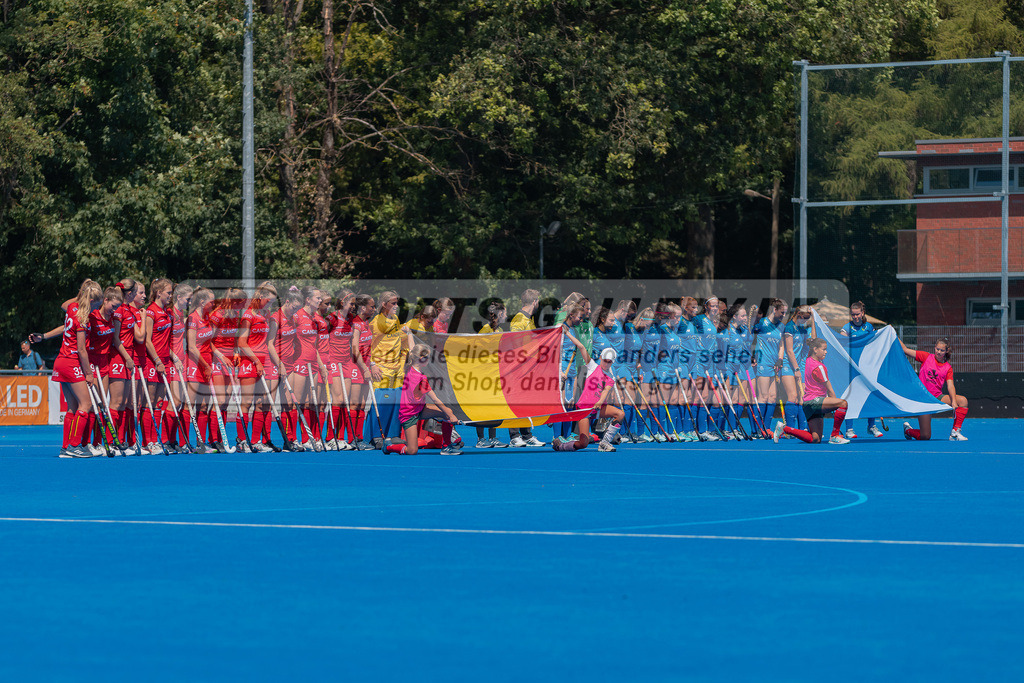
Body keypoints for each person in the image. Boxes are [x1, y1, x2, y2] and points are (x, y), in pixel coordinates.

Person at [52, 281, 103, 457]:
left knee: (72, 407)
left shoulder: (72, 307)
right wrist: (88, 373)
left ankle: (65, 447)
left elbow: (65, 304)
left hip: (61, 361)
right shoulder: (82, 318)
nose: (98, 307)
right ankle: (74, 446)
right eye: (96, 303)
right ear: (90, 300)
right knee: (86, 404)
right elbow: (81, 349)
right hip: (71, 362)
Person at [382, 344, 462, 455]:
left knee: (447, 412)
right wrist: (452, 417)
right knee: (412, 450)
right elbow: (435, 400)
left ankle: (446, 447)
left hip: (420, 409)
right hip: (408, 415)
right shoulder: (421, 378)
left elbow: (412, 349)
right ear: (422, 359)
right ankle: (389, 446)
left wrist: (409, 333)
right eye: (428, 357)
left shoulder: (408, 367)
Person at [773, 338, 850, 445]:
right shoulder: (820, 367)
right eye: (824, 349)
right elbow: (830, 390)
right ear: (815, 349)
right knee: (843, 403)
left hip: (807, 404)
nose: (826, 352)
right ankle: (835, 435)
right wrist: (835, 406)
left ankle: (784, 429)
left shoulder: (807, 360)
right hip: (815, 402)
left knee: (815, 439)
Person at [552, 348, 624, 452]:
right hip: (585, 409)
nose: (606, 364)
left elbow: (605, 391)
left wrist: (599, 402)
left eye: (609, 362)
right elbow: (581, 347)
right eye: (605, 360)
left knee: (620, 414)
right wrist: (568, 334)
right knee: (583, 443)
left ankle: (604, 443)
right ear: (600, 358)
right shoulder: (592, 366)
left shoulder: (611, 377)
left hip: (599, 408)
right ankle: (560, 446)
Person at [900, 337, 969, 441]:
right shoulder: (926, 357)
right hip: (923, 399)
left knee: (962, 401)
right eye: (937, 349)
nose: (939, 352)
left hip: (937, 397)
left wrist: (954, 402)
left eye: (942, 350)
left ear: (946, 351)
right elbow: (905, 350)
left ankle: (955, 432)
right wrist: (893, 333)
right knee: (925, 436)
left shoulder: (948, 368)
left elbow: (950, 386)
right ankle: (908, 431)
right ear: (934, 348)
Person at [507, 289, 545, 447]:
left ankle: (526, 434)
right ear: (535, 301)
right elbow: (515, 343)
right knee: (516, 401)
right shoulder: (519, 319)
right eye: (538, 302)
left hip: (530, 367)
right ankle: (514, 435)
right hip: (519, 367)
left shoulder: (530, 319)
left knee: (526, 401)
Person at [840, 301, 882, 439]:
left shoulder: (869, 327)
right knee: (850, 397)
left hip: (866, 367)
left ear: (862, 313)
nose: (855, 317)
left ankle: (871, 426)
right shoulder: (847, 328)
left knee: (870, 395)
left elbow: (875, 343)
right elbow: (841, 342)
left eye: (857, 314)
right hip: (851, 368)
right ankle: (849, 429)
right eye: (853, 315)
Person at [475, 301, 508, 448]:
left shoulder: (500, 330)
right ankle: (481, 439)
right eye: (505, 312)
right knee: (482, 407)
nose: (507, 315)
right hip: (483, 374)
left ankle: (493, 438)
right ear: (500, 314)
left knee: (494, 406)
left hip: (496, 373)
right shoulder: (485, 330)